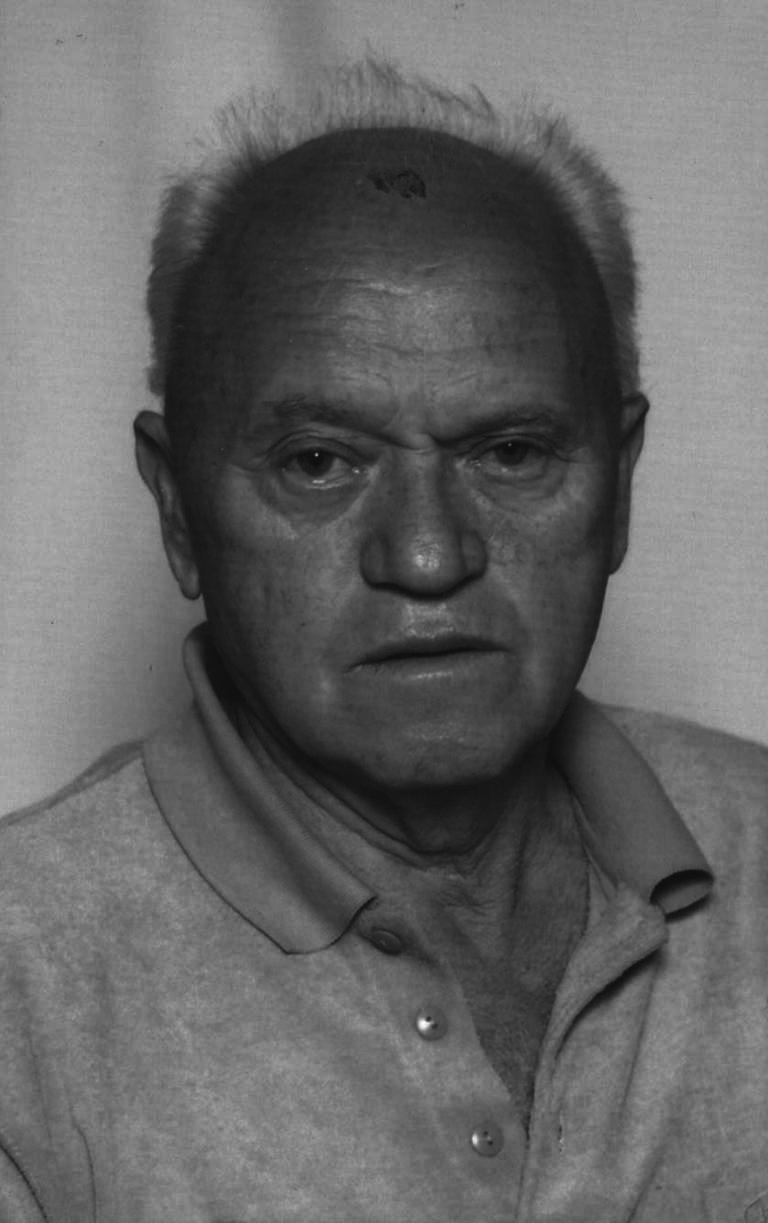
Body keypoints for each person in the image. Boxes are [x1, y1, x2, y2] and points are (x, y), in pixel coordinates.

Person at [1, 59, 766, 1223]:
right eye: (319, 460)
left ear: (619, 485)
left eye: (511, 452)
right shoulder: (24, 985)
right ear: (178, 509)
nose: (426, 554)